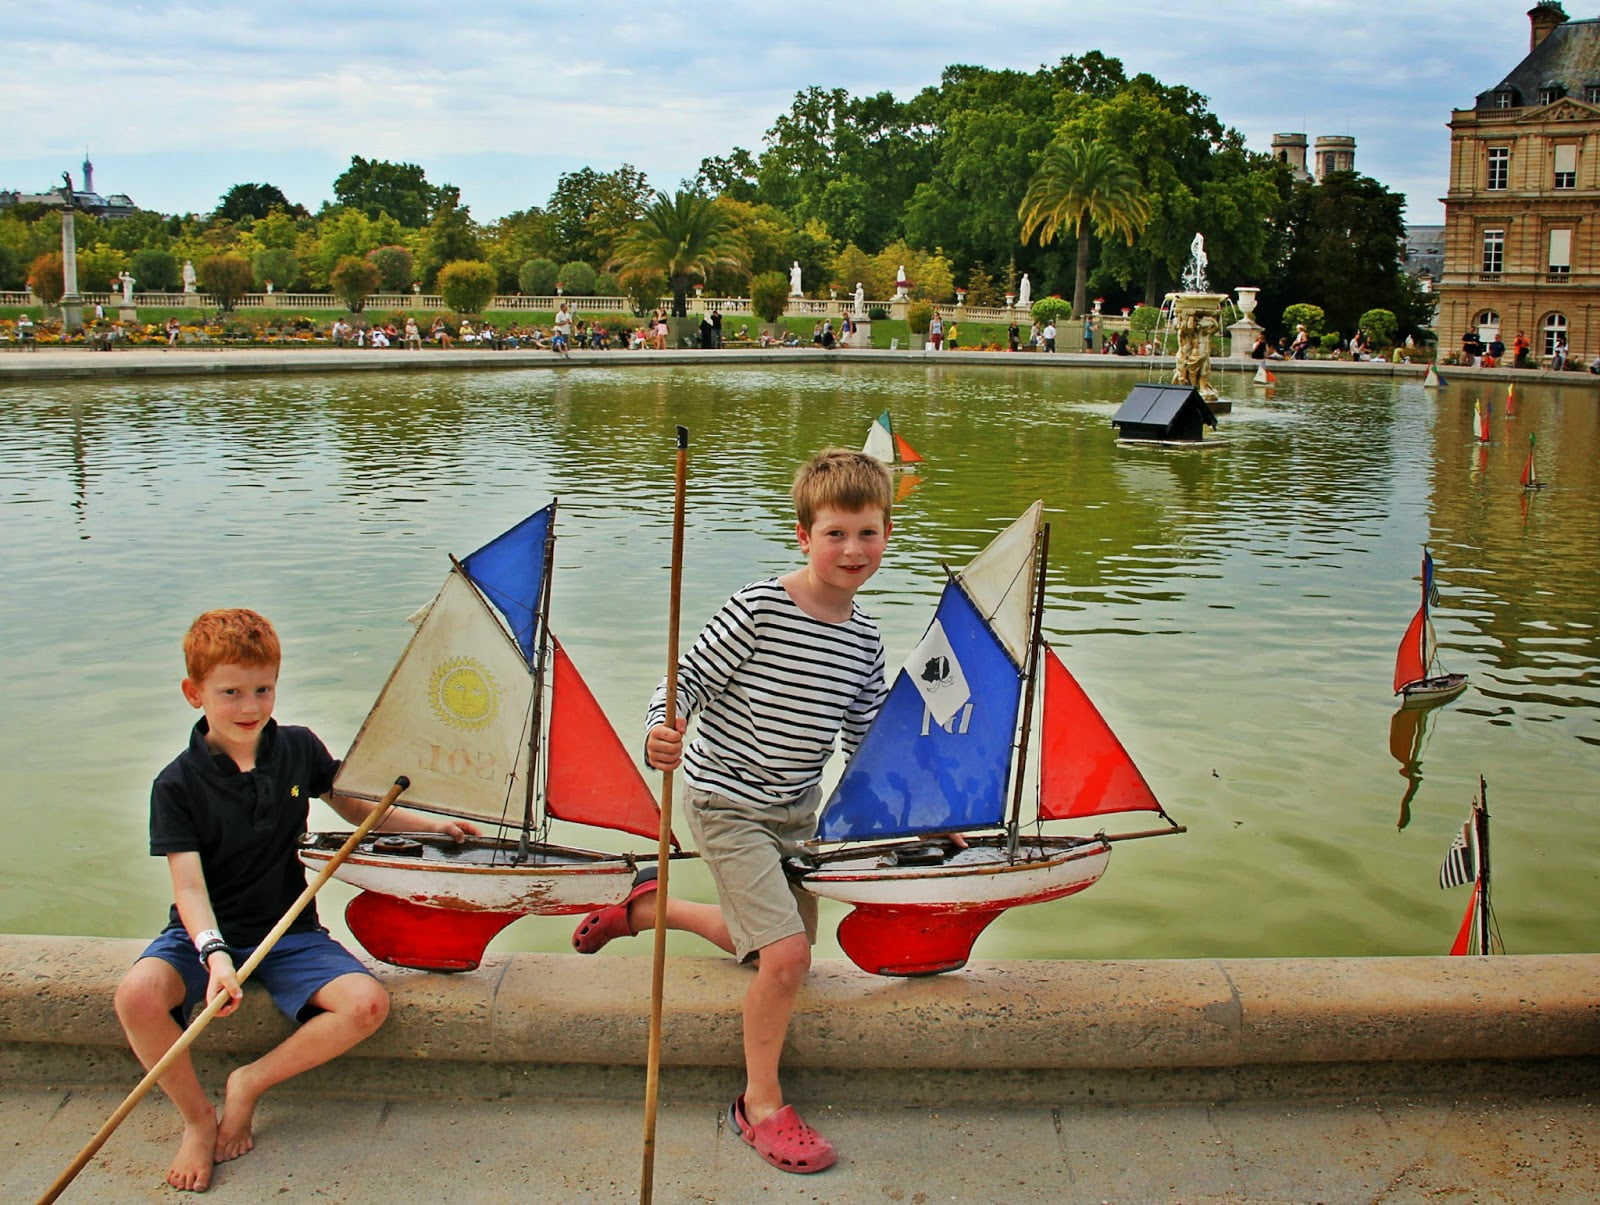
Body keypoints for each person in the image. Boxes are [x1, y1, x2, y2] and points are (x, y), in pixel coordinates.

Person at [571, 450, 893, 1176]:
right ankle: (760, 1104)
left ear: (888, 533)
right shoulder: (759, 607)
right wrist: (663, 724)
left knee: (770, 949)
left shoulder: (866, 639)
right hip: (724, 800)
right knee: (786, 956)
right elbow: (682, 682)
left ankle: (654, 910)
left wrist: (917, 811)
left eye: (867, 533)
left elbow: (867, 740)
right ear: (803, 536)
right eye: (835, 533)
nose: (852, 549)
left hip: (795, 810)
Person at [113, 609, 477, 1192]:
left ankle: (248, 1083)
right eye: (230, 692)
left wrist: (433, 830)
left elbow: (357, 809)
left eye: (263, 689)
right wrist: (215, 955)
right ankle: (197, 1119)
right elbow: (188, 888)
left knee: (365, 1005)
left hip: (289, 932)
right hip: (202, 933)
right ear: (194, 693)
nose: (251, 707)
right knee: (136, 997)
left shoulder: (298, 749)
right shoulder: (175, 784)